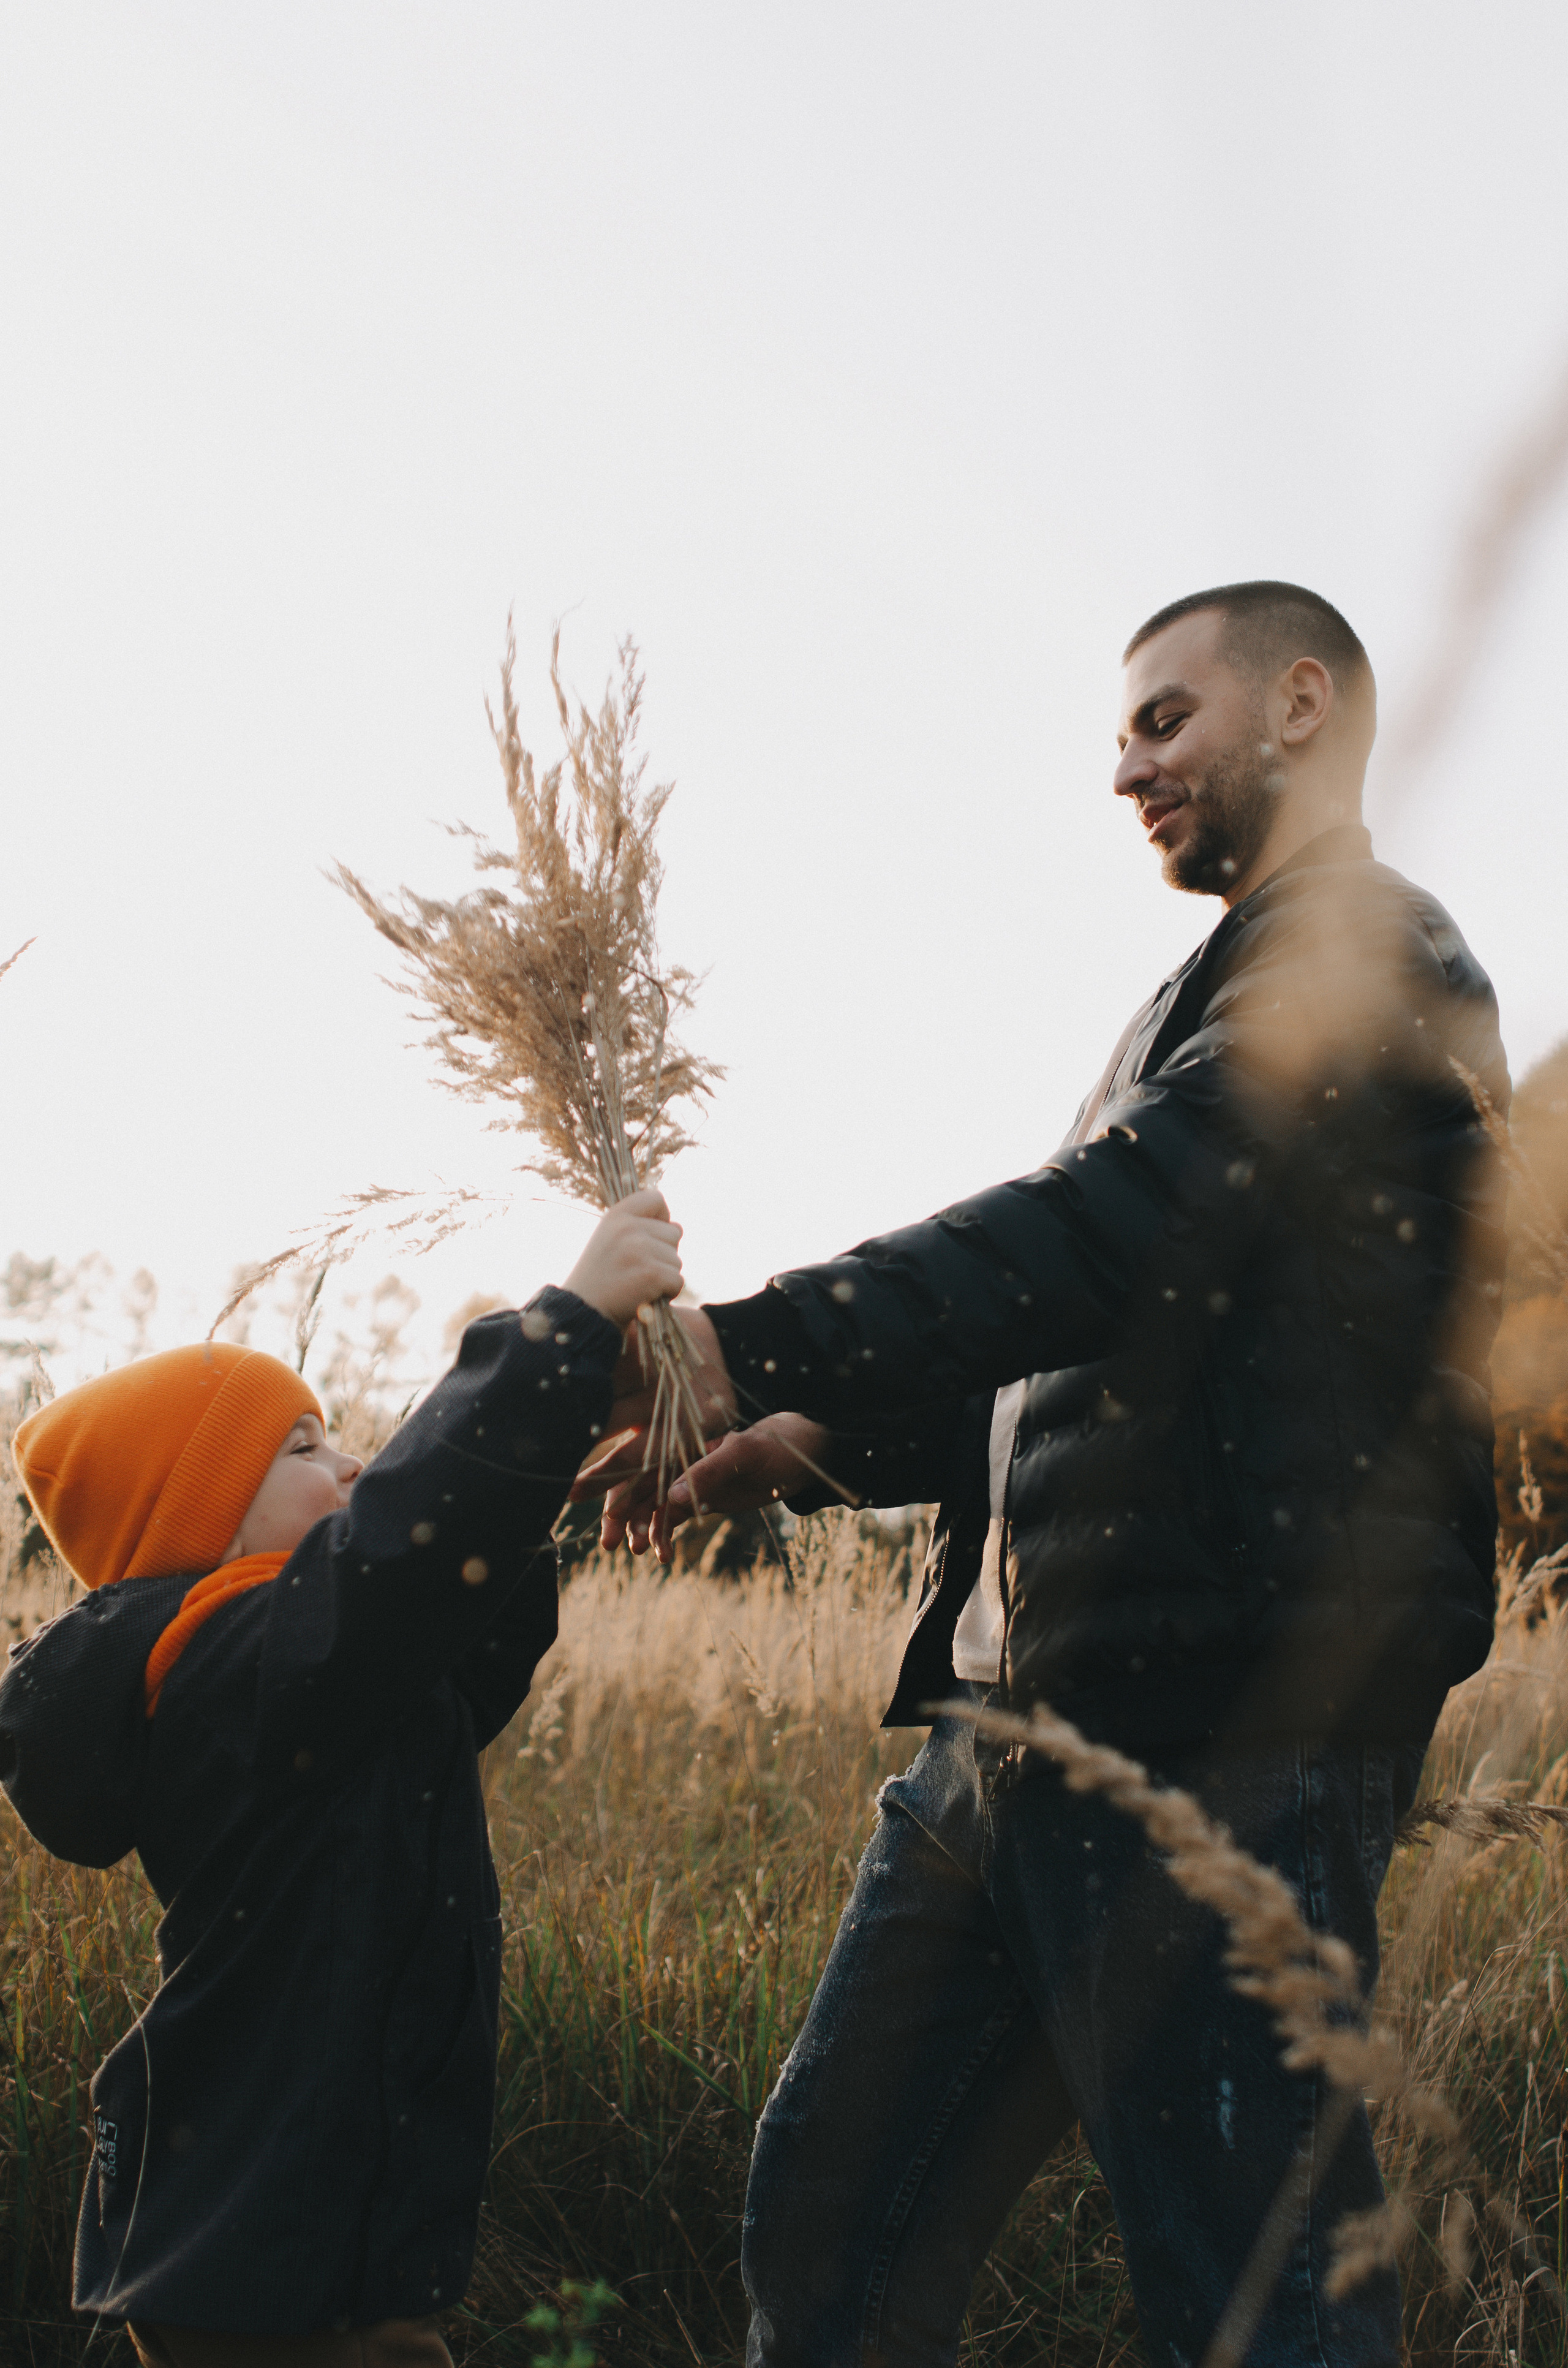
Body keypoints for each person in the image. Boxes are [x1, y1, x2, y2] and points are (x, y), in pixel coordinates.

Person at [584, 585, 1509, 2368]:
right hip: (1008, 1736)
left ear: (1304, 703)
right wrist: (796, 1447)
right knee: (830, 2221)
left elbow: (1117, 1233)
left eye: (1164, 720)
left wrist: (745, 1338)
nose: (1124, 768)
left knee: (1259, 2297)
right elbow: (1094, 1350)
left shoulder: (1373, 951)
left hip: (1215, 1738)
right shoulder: (1205, 988)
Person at [0, 1190, 683, 2368]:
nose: (353, 1456)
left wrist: (535, 1464)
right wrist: (558, 1332)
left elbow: (454, 1657)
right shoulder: (223, 1665)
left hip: (295, 2225)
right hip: (253, 2231)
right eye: (304, 1448)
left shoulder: (312, 1670)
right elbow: (389, 1574)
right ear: (200, 1518)